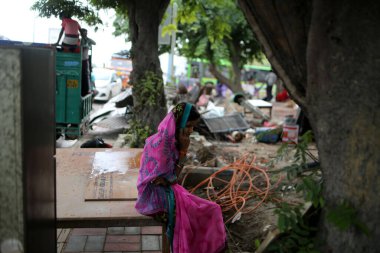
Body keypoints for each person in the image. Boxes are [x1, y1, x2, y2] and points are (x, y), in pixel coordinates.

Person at [135, 102, 227, 253]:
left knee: (213, 209)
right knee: (209, 211)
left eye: (193, 126)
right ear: (180, 123)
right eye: (189, 125)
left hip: (167, 188)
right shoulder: (162, 144)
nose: (191, 130)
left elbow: (172, 178)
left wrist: (183, 151)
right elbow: (170, 178)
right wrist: (183, 151)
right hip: (155, 196)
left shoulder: (172, 140)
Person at [80, 28, 96, 96]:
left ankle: (87, 90)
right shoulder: (80, 40)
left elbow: (94, 43)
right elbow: (80, 46)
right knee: (82, 74)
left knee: (86, 74)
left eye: (86, 33)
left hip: (85, 59)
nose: (85, 34)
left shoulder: (87, 40)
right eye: (84, 33)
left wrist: (87, 39)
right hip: (80, 59)